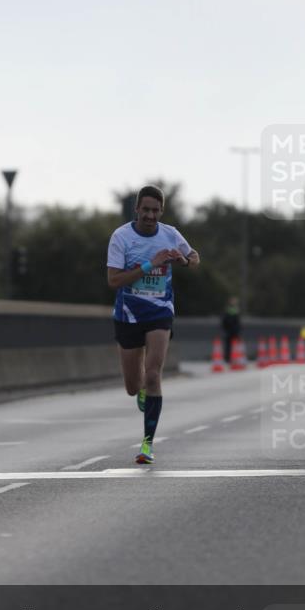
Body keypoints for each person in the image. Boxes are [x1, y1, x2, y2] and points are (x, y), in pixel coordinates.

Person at [107, 185, 200, 464]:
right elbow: (113, 280)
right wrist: (150, 265)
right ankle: (143, 392)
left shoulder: (170, 234)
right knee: (134, 386)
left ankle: (147, 444)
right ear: (137, 209)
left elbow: (195, 258)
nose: (150, 215)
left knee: (153, 373)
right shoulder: (121, 237)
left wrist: (184, 260)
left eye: (155, 210)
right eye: (145, 210)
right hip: (129, 314)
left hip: (160, 312)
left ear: (161, 211)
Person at [221, 296, 241, 365]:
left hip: (233, 330)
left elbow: (237, 321)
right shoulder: (230, 309)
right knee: (229, 345)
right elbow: (226, 321)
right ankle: (229, 358)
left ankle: (233, 358)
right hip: (230, 330)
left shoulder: (235, 309)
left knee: (232, 345)